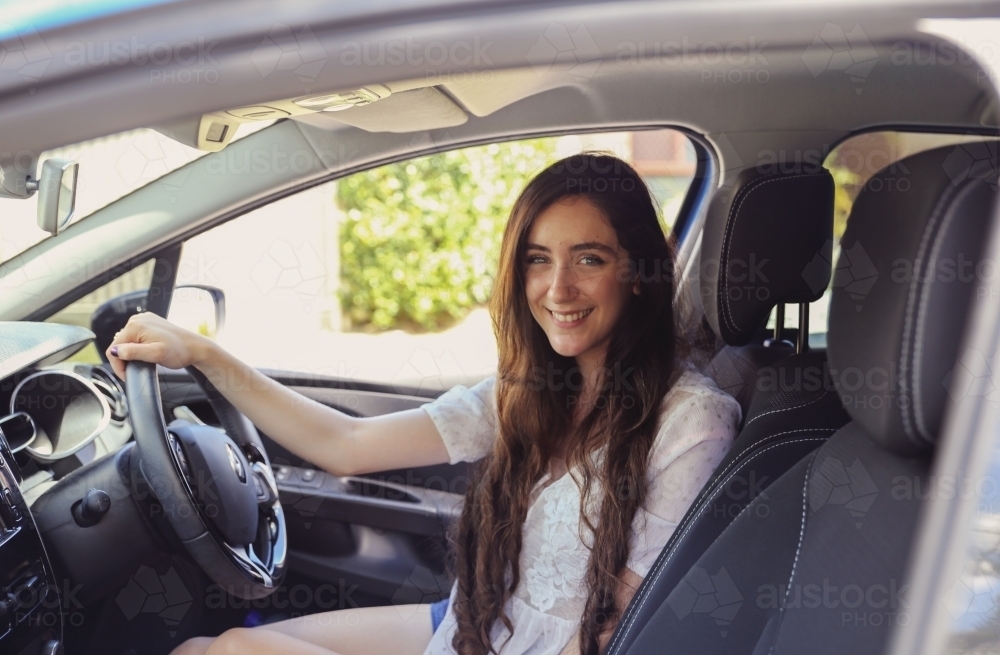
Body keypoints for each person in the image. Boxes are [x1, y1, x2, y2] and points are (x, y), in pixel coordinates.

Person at [107, 153, 741, 655]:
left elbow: (618, 630)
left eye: (590, 259)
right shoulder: (531, 390)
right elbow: (344, 446)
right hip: (473, 626)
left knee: (236, 650)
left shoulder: (693, 421)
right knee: (199, 648)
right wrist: (204, 356)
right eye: (537, 261)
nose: (557, 288)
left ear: (636, 272)